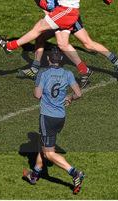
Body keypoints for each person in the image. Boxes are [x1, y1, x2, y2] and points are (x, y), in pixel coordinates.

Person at [0, 0, 115, 83]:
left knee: (86, 43)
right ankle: (83, 70)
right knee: (56, 42)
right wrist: (44, 4)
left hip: (67, 14)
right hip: (59, 15)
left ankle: (10, 46)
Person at [18, 0, 118, 83]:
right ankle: (34, 68)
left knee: (88, 43)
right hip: (57, 19)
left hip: (68, 17)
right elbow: (46, 11)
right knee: (41, 38)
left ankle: (116, 62)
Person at [22, 47, 85, 195]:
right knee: (42, 145)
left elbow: (37, 95)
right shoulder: (68, 74)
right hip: (60, 117)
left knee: (49, 153)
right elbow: (78, 93)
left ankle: (75, 174)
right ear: (61, 60)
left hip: (47, 117)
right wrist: (69, 98)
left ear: (49, 59)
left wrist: (38, 84)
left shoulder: (43, 74)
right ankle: (35, 175)